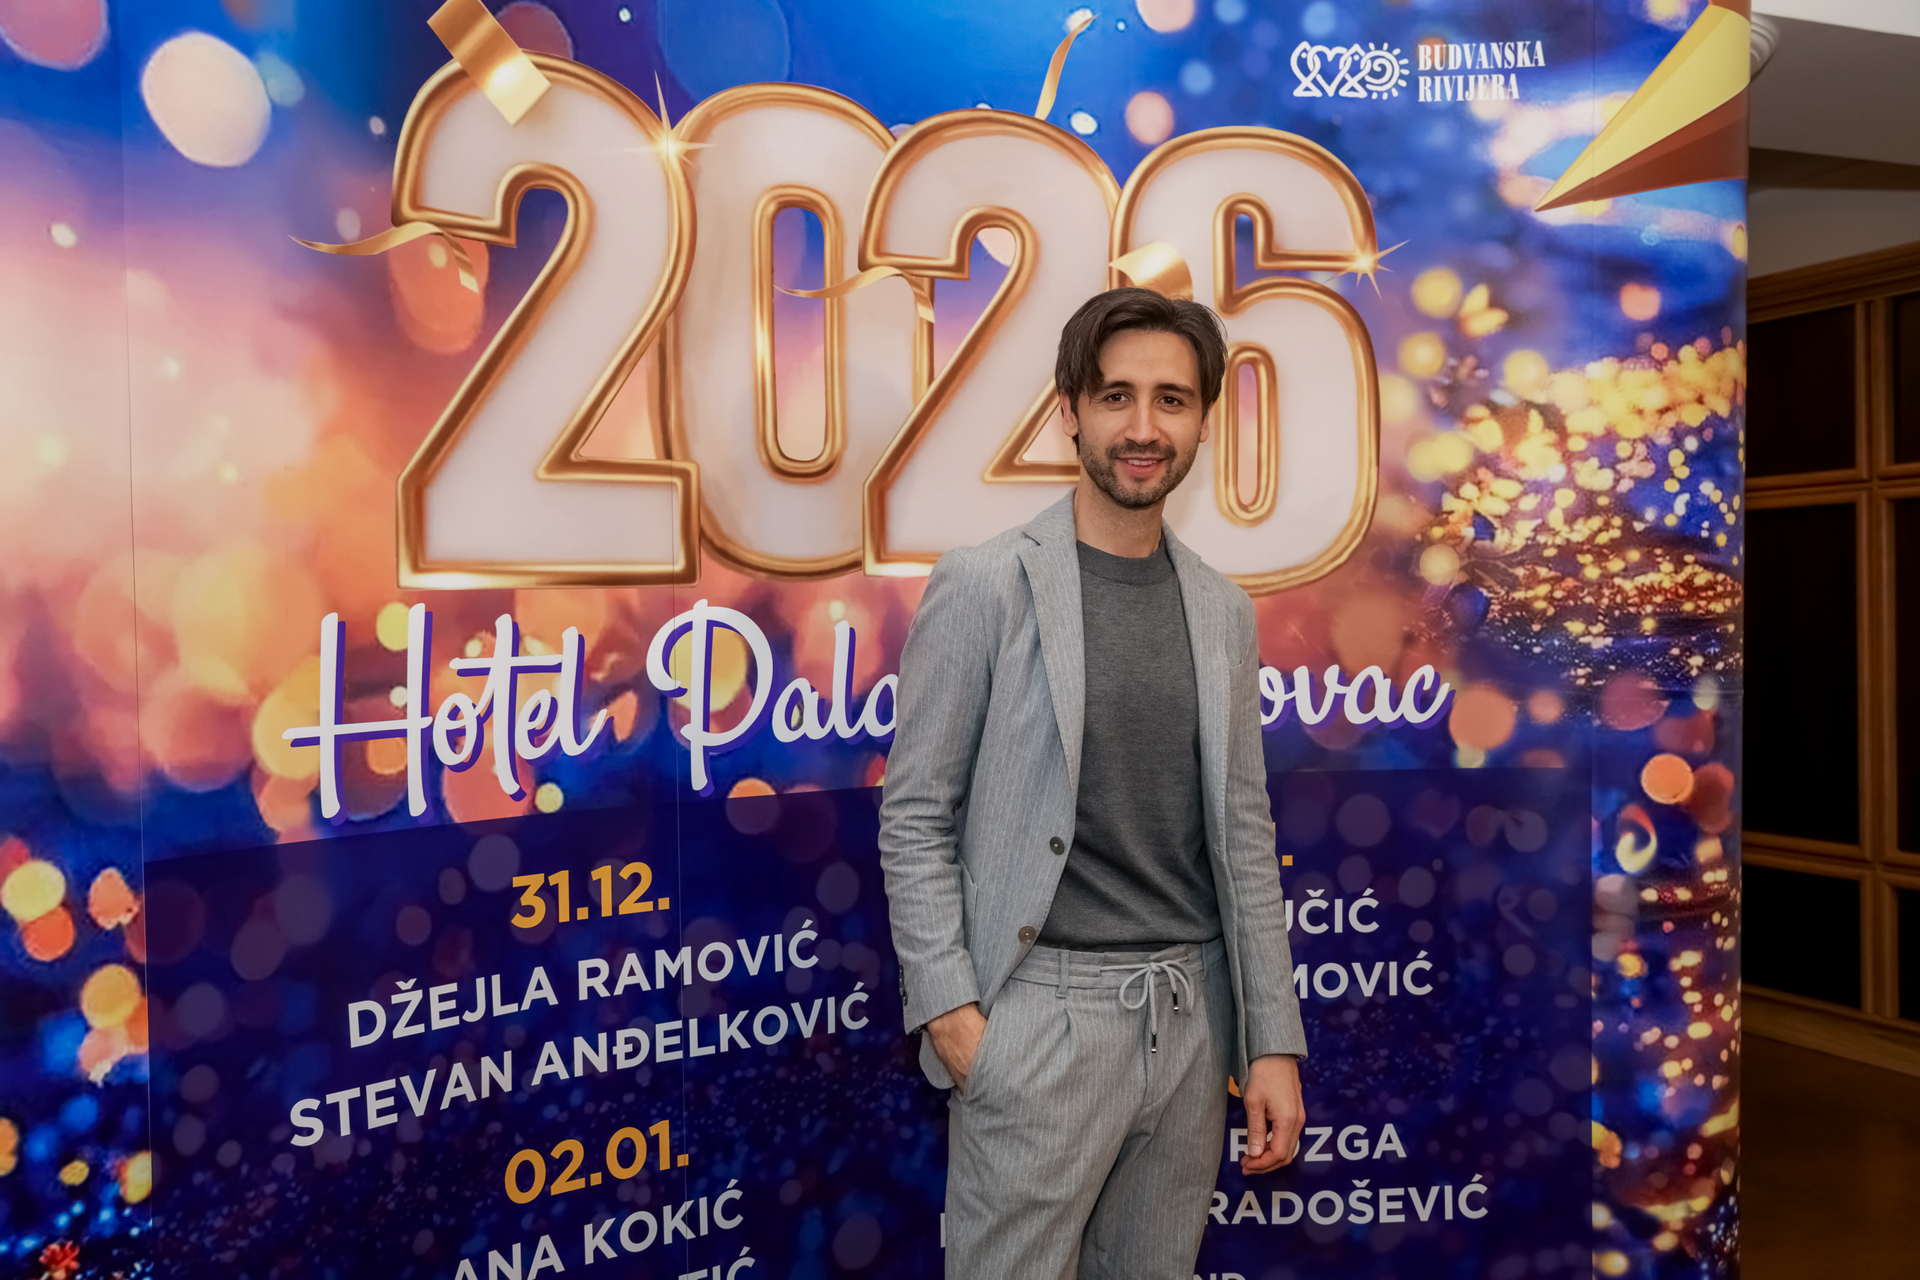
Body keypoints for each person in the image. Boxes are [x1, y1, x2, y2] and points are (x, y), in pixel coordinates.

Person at [879, 286, 1309, 1279]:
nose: (1143, 427)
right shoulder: (986, 582)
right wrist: (954, 1015)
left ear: (1204, 419)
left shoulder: (1224, 610)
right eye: (1117, 396)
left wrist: (1271, 1041)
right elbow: (915, 814)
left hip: (1192, 1020)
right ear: (1070, 410)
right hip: (1038, 1021)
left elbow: (1243, 833)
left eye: (1172, 399)